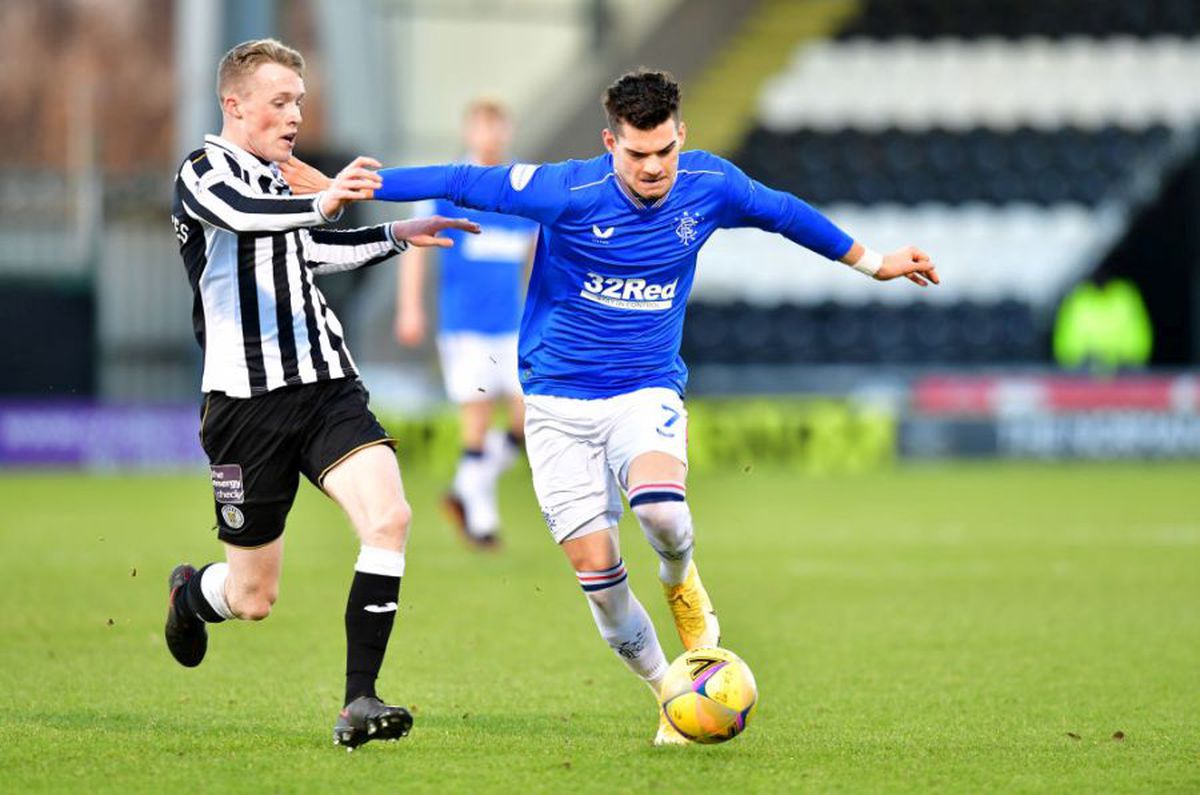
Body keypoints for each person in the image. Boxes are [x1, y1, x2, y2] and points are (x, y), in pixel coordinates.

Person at [281, 69, 939, 745]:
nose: (653, 167)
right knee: (599, 576)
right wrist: (349, 186)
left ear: (681, 135)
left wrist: (875, 262)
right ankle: (672, 693)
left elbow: (784, 213)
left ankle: (683, 582)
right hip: (557, 403)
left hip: (644, 387)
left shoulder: (709, 186)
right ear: (609, 142)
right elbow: (458, 179)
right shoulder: (567, 190)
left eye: (664, 151)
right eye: (637, 154)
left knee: (661, 511)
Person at [165, 38, 479, 751]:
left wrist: (397, 232)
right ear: (234, 104)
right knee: (253, 598)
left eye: (300, 102)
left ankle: (358, 699)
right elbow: (247, 216)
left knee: (390, 515)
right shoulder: (204, 172)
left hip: (326, 387)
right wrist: (322, 199)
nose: (294, 114)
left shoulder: (285, 184)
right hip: (246, 409)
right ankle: (191, 594)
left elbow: (308, 250)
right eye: (279, 101)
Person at [396, 99, 538, 548]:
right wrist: (410, 308)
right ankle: (481, 522)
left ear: (507, 130)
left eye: (497, 126)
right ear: (468, 132)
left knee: (528, 420)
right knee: (476, 419)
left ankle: (464, 487)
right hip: (465, 323)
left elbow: (535, 260)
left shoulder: (522, 188)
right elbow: (417, 249)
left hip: (511, 323)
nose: (490, 135)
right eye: (482, 126)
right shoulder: (448, 187)